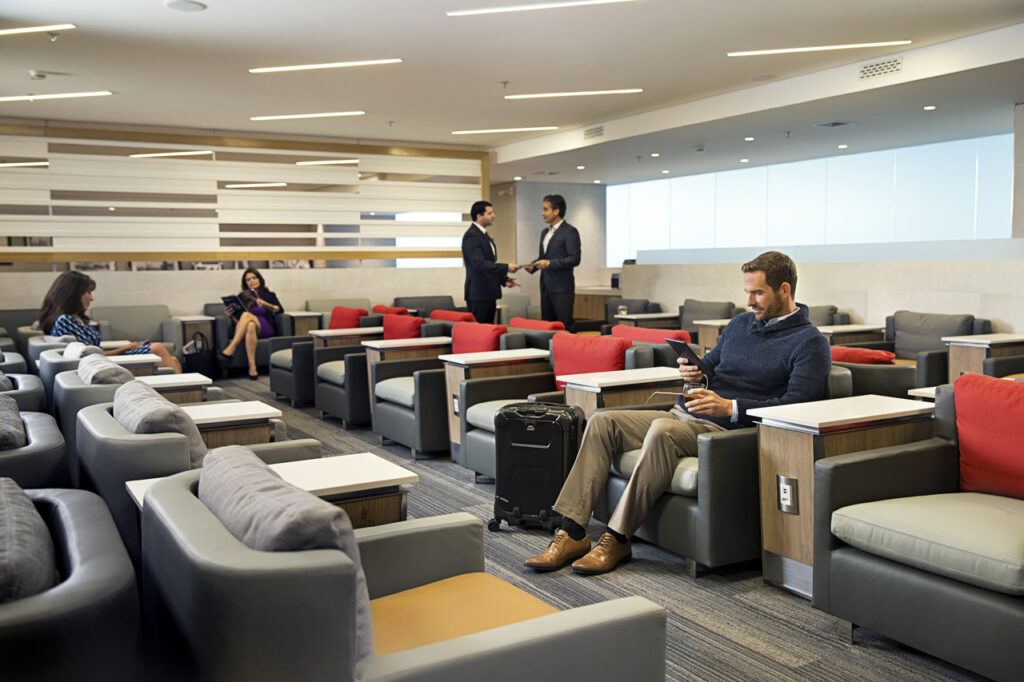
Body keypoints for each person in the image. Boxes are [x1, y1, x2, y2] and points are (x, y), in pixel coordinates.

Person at [524, 251, 830, 575]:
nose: (750, 301)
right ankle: (572, 532)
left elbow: (800, 405)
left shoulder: (809, 342)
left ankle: (616, 538)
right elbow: (712, 370)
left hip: (725, 431)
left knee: (661, 430)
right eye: (747, 293)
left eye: (758, 293)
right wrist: (694, 371)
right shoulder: (740, 325)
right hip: (684, 413)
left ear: (784, 290)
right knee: (603, 421)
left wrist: (733, 408)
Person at [37, 270, 182, 373]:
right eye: (88, 292)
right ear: (73, 294)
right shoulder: (65, 321)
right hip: (96, 366)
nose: (91, 298)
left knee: (173, 359)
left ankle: (188, 396)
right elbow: (88, 356)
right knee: (157, 348)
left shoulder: (77, 319)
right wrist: (126, 348)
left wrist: (129, 347)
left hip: (101, 361)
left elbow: (93, 349)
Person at [525, 194, 580, 329]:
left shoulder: (570, 232)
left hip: (562, 288)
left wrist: (550, 264)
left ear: (556, 211)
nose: (542, 213)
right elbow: (544, 257)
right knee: (547, 328)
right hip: (545, 287)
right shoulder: (545, 232)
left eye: (545, 209)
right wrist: (533, 266)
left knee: (564, 327)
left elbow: (575, 259)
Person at [461, 200, 520, 324]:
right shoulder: (471, 236)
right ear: (479, 216)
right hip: (478, 294)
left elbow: (489, 264)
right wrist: (506, 267)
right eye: (490, 213)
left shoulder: (483, 235)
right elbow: (479, 264)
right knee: (479, 334)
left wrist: (503, 280)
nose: (494, 216)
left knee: (488, 332)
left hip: (488, 293)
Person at [220, 267, 284, 379]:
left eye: (254, 278)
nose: (251, 281)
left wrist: (265, 305)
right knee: (249, 325)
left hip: (266, 327)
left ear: (259, 279)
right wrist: (231, 316)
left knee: (246, 315)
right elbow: (239, 322)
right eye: (248, 280)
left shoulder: (269, 295)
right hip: (251, 329)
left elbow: (279, 309)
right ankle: (252, 367)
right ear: (245, 283)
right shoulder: (243, 297)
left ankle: (232, 347)